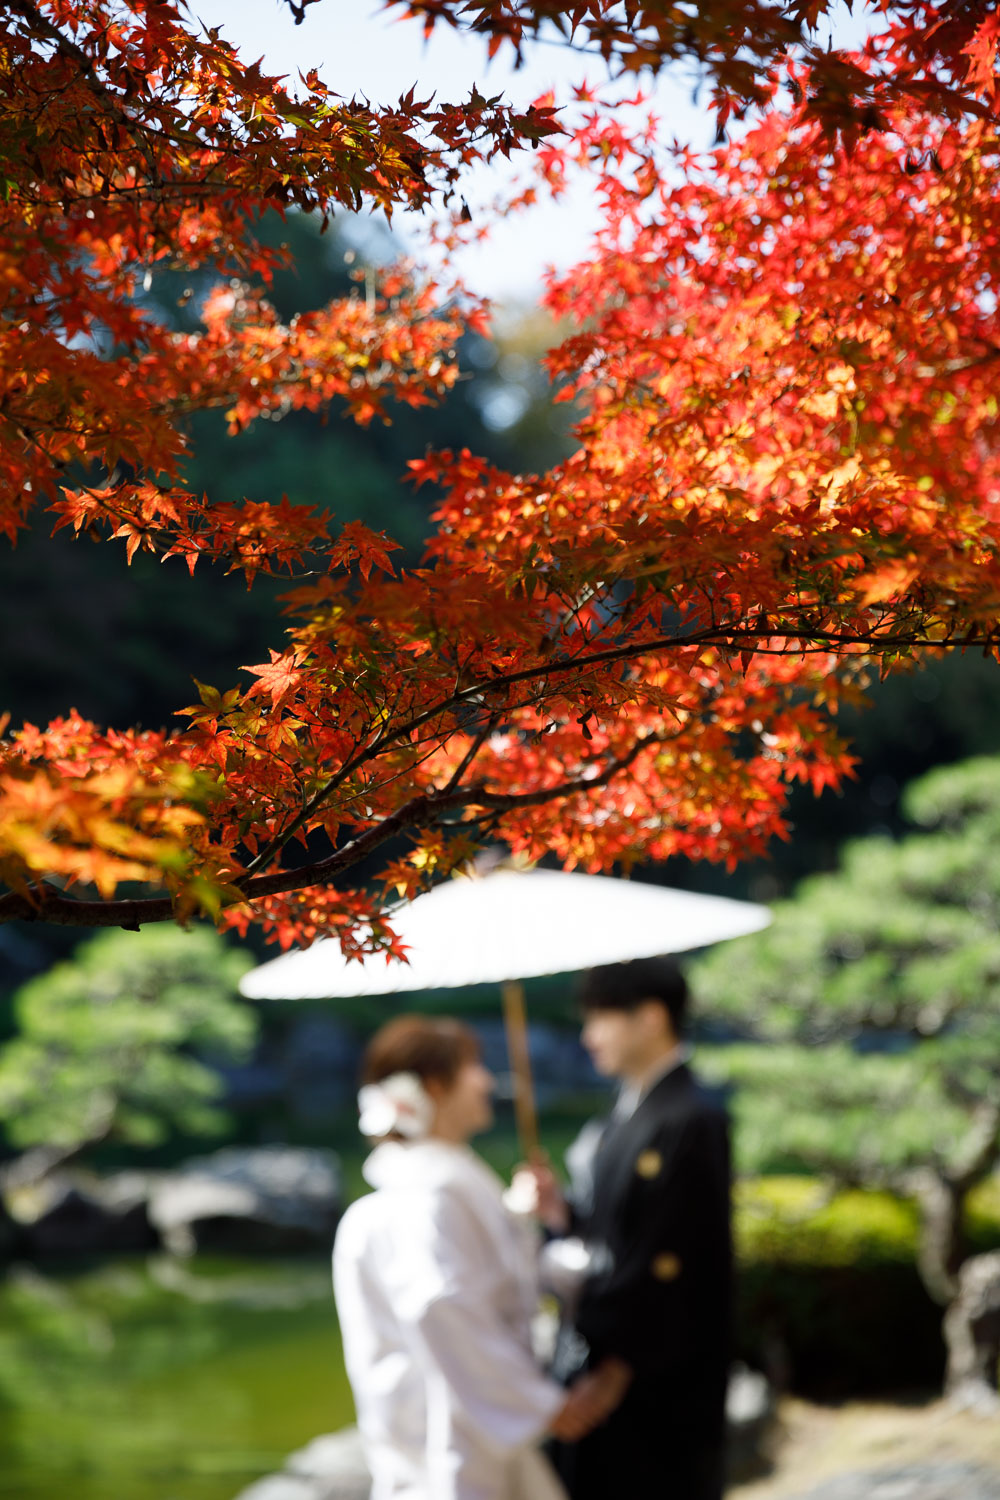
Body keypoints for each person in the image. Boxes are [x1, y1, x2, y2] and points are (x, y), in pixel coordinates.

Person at [333, 1014, 592, 1500]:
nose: (487, 1082)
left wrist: (523, 1216)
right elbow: (443, 1306)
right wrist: (539, 1403)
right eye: (474, 1066)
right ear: (434, 1085)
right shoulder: (424, 1197)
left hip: (470, 1428)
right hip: (447, 1441)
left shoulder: (431, 1185)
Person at [518, 957, 733, 1500]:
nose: (589, 1037)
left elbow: (674, 1256)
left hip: (654, 1370)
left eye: (600, 1018)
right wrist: (561, 1214)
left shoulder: (691, 1118)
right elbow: (617, 1230)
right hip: (607, 1352)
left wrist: (615, 1370)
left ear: (651, 1018)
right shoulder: (626, 1112)